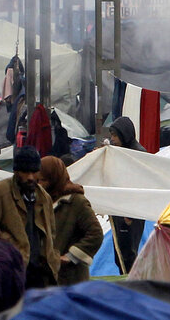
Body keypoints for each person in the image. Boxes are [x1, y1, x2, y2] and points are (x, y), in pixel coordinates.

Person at [0, 145, 60, 289]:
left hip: (38, 273)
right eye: (25, 172)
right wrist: (9, 244)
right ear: (16, 171)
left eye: (34, 172)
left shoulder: (43, 198)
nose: (30, 177)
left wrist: (52, 259)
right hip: (9, 271)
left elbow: (50, 235)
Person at [39, 156, 103, 285]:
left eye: (43, 180)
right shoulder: (40, 202)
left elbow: (95, 233)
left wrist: (71, 257)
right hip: (43, 279)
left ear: (54, 179)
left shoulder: (76, 202)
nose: (39, 184)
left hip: (70, 279)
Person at [108, 116, 147, 275]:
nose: (112, 139)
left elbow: (141, 185)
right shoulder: (119, 152)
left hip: (131, 212)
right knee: (120, 254)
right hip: (119, 209)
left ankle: (132, 285)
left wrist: (131, 212)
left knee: (128, 253)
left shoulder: (138, 154)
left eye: (115, 135)